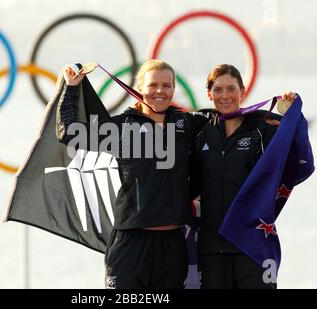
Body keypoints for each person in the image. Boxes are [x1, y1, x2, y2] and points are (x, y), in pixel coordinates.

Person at [56, 59, 215, 289]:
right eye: (153, 85)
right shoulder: (121, 128)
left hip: (172, 245)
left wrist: (279, 116)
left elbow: (230, 117)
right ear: (140, 88)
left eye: (167, 85)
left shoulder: (186, 123)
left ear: (173, 89)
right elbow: (69, 133)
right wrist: (71, 88)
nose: (160, 91)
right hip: (130, 242)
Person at [190, 64, 297, 289]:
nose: (225, 95)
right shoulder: (200, 131)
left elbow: (296, 154)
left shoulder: (263, 128)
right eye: (218, 90)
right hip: (212, 247)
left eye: (231, 88)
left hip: (253, 244)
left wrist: (289, 116)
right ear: (209, 94)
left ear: (243, 91)